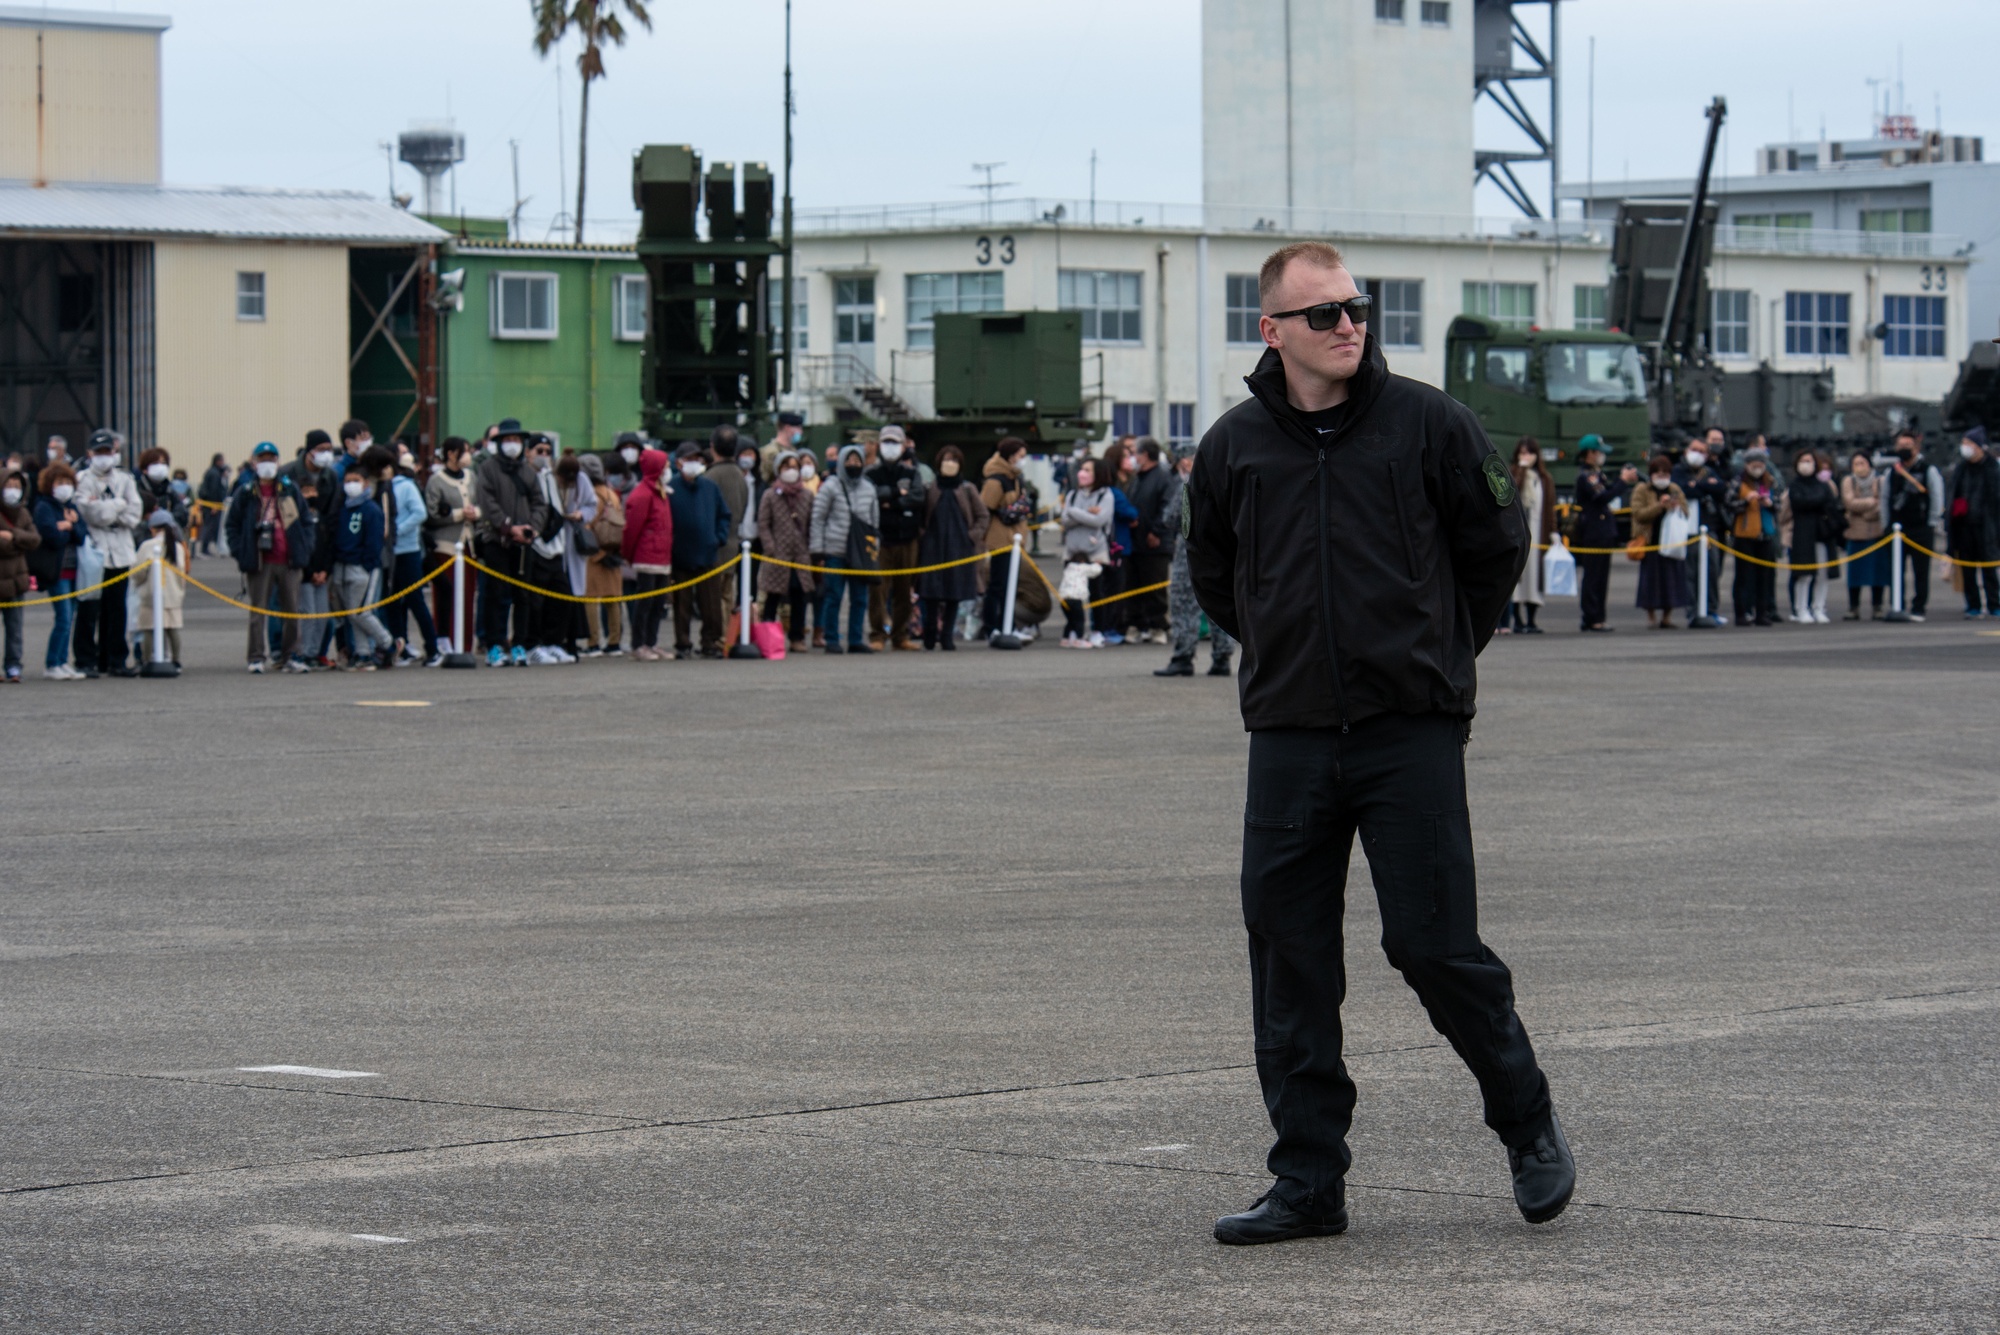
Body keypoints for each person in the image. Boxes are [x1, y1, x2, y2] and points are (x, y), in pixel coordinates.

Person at [1186, 241, 1567, 1246]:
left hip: (1409, 730)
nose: (1348, 324)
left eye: (1358, 306)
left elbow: (1492, 551)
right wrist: (1279, 646)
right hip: (1290, 735)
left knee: (1434, 946)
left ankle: (1525, 1120)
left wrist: (1434, 652)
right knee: (1289, 958)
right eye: (1322, 313)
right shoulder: (1231, 447)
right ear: (1270, 331)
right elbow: (1217, 576)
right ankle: (1308, 1183)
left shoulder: (1431, 425)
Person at [222, 441, 315, 673]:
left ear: (278, 462)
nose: (267, 464)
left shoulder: (289, 488)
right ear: (254, 462)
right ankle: (256, 656)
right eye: (262, 459)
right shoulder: (245, 492)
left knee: (292, 610)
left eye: (271, 459)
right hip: (260, 560)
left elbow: (306, 521)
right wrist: (240, 551)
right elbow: (231, 525)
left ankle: (291, 655)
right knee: (258, 611)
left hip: (289, 559)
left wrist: (305, 548)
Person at [473, 418, 549, 666]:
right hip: (497, 540)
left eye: (516, 440)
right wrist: (507, 527)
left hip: (524, 543)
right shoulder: (488, 469)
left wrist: (533, 528)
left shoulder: (527, 471)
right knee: (496, 594)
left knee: (523, 595)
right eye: (508, 440)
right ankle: (495, 645)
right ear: (499, 443)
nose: (512, 445)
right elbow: (487, 503)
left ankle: (519, 644)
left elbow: (540, 503)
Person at [1160, 448, 1237, 676]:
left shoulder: (1189, 485)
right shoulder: (1227, 481)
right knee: (1220, 603)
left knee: (1184, 605)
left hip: (1190, 553)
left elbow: (1172, 518)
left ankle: (1183, 656)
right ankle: (1222, 657)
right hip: (1223, 553)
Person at [73, 429, 142, 677]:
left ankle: (115, 659)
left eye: (108, 452)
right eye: (99, 452)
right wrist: (118, 504)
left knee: (117, 608)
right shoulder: (82, 479)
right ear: (90, 454)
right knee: (90, 608)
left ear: (114, 453)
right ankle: (85, 659)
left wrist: (106, 506)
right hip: (95, 551)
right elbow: (89, 513)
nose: (104, 457)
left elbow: (134, 515)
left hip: (121, 552)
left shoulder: (125, 479)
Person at [915, 445, 988, 651]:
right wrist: (924, 536)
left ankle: (947, 635)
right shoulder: (930, 488)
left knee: (953, 594)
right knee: (930, 592)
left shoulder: (967, 489)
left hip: (959, 548)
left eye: (954, 460)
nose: (950, 464)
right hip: (933, 547)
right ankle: (929, 632)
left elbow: (983, 516)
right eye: (946, 460)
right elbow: (921, 516)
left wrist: (971, 536)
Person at [810, 442, 880, 654]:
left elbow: (874, 522)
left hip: (860, 552)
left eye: (857, 460)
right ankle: (831, 638)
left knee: (860, 598)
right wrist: (817, 550)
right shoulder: (831, 486)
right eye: (849, 460)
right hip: (835, 550)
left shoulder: (869, 488)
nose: (853, 464)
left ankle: (855, 639)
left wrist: (873, 550)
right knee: (834, 596)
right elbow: (818, 518)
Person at [667, 442, 731, 659]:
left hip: (708, 554)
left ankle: (710, 642)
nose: (694, 463)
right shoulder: (671, 488)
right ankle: (683, 643)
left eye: (697, 459)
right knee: (682, 605)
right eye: (689, 459)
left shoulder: (710, 487)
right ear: (678, 462)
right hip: (680, 555)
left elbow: (724, 515)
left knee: (711, 604)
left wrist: (718, 538)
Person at [866, 425, 927, 650]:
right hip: (881, 538)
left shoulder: (911, 473)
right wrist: (896, 494)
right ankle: (877, 634)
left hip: (907, 538)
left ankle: (901, 635)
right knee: (878, 590)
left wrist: (892, 502)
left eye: (895, 442)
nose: (890, 447)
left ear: (903, 446)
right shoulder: (871, 473)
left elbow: (917, 497)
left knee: (904, 590)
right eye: (886, 442)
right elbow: (871, 496)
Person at [379, 446, 441, 665]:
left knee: (416, 600)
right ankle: (401, 648)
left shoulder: (405, 486)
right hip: (389, 554)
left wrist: (396, 531)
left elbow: (420, 513)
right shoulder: (380, 488)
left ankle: (433, 649)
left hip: (408, 551)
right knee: (393, 603)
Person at [330, 461, 391, 670]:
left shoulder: (371, 509)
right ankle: (363, 653)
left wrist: (366, 564)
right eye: (347, 481)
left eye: (356, 481)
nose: (351, 485)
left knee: (361, 612)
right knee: (351, 613)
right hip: (342, 566)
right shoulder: (343, 508)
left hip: (362, 568)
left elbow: (375, 542)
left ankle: (387, 642)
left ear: (365, 483)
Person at [422, 437, 480, 655]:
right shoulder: (436, 481)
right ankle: (444, 639)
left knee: (468, 595)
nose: (468, 455)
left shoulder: (471, 477)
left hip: (469, 545)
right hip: (446, 546)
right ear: (451, 454)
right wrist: (458, 514)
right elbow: (432, 514)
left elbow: (480, 503)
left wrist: (476, 514)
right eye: (464, 451)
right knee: (446, 595)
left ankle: (465, 644)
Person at [756, 450, 818, 651]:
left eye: (794, 467)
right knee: (773, 596)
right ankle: (768, 636)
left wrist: (810, 547)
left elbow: (811, 524)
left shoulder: (807, 495)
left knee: (799, 595)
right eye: (786, 467)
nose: (790, 471)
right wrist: (770, 547)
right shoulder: (770, 495)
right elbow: (763, 524)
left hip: (800, 553)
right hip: (777, 554)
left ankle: (797, 637)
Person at [30, 462, 85, 679]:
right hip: (56, 570)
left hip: (74, 569)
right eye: (59, 483)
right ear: (49, 485)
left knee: (70, 617)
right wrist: (66, 528)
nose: (64, 487)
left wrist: (69, 526)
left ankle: (63, 660)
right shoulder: (43, 506)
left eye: (68, 483)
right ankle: (52, 663)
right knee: (62, 617)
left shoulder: (71, 507)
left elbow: (81, 535)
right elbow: (51, 537)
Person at [621, 446, 675, 661]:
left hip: (661, 556)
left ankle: (651, 642)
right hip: (647, 557)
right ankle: (638, 643)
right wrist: (629, 554)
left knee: (658, 603)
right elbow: (632, 529)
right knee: (645, 603)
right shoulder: (643, 495)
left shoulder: (661, 492)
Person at [1569, 437, 1628, 632]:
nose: (1602, 456)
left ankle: (1599, 617)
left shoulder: (1596, 474)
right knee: (1593, 576)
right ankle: (1591, 617)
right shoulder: (1586, 476)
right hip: (1594, 531)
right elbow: (1603, 496)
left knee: (1602, 577)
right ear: (1590, 453)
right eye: (1599, 452)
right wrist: (1623, 481)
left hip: (1603, 531)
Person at [978, 437, 1033, 640]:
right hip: (1001, 539)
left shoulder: (1016, 477)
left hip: (1015, 538)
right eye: (1020, 456)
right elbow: (985, 507)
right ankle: (993, 626)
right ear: (1010, 457)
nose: (1023, 460)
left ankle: (1008, 625)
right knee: (999, 585)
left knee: (1011, 585)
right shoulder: (996, 480)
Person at [1673, 427, 1730, 619]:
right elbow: (1681, 490)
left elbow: (1721, 489)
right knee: (1690, 573)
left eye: (1702, 451)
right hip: (1687, 529)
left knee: (1712, 572)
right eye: (1694, 450)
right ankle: (1693, 611)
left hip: (1709, 528)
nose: (1697, 454)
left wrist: (1697, 486)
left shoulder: (1710, 471)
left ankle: (1711, 610)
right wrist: (1703, 488)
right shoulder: (1679, 471)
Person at [1501, 436, 1556, 634]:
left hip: (1539, 533)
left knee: (1535, 579)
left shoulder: (1544, 478)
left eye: (1530, 452)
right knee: (1519, 578)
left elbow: (1550, 509)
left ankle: (1532, 619)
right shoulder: (1513, 473)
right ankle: (1518, 620)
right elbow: (1511, 493)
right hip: (1520, 533)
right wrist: (1521, 470)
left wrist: (1554, 532)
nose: (1526, 457)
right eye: (1523, 453)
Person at [1123, 438, 1176, 644]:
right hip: (1135, 543)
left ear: (1145, 454)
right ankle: (1138, 624)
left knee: (1155, 587)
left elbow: (1168, 507)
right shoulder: (1137, 479)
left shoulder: (1162, 477)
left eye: (1135, 453)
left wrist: (1157, 531)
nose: (1132, 457)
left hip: (1156, 545)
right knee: (1133, 586)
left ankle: (1158, 627)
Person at [1057, 457, 1113, 648]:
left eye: (1088, 470)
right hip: (1072, 553)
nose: (1082, 473)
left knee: (1097, 594)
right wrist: (1085, 513)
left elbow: (1100, 521)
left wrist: (1073, 513)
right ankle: (1073, 629)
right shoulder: (1072, 495)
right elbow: (1064, 520)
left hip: (1096, 552)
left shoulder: (1105, 495)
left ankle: (1098, 631)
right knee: (1071, 596)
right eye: (1082, 469)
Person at [1778, 450, 1838, 625]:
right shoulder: (1795, 485)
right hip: (1802, 534)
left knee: (1822, 574)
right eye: (1803, 460)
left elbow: (1829, 503)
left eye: (1809, 461)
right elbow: (1799, 502)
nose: (1806, 464)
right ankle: (1801, 608)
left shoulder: (1823, 485)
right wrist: (1816, 501)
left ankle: (1819, 607)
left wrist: (1813, 501)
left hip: (1822, 534)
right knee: (1804, 575)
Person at [1631, 455, 1690, 629]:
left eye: (1665, 473)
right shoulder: (1642, 489)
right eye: (1658, 473)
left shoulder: (1675, 489)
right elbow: (1638, 514)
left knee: (1671, 581)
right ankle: (1651, 616)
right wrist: (1659, 506)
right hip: (1650, 542)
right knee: (1651, 582)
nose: (1662, 476)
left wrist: (1676, 506)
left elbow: (1686, 512)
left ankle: (1667, 616)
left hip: (1671, 543)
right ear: (1651, 474)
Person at [1947, 427, 2000, 617]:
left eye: (1969, 443)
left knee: (1989, 568)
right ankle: (1973, 605)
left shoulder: (1993, 468)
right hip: (1964, 526)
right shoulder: (1961, 468)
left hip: (1987, 527)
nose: (1965, 447)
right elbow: (1953, 494)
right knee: (1967, 569)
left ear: (1979, 446)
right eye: (1964, 444)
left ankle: (1994, 604)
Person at [126, 508, 186, 668]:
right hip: (173, 594)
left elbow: (138, 572)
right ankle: (176, 660)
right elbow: (182, 574)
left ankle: (146, 661)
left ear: (153, 528)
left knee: (148, 629)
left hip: (150, 594)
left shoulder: (148, 545)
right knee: (172, 629)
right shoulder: (177, 547)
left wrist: (138, 584)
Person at [578, 453, 625, 655]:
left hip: (595, 553)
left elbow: (588, 524)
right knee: (613, 599)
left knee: (590, 599)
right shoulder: (611, 493)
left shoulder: (592, 495)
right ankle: (614, 642)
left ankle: (593, 641)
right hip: (613, 551)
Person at [1725, 451, 1778, 625]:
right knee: (1743, 576)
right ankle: (1741, 613)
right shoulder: (1738, 482)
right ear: (1747, 465)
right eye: (1754, 464)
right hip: (1744, 534)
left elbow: (1780, 504)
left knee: (1764, 576)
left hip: (1765, 533)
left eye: (1761, 464)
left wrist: (1770, 503)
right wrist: (1746, 501)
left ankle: (1762, 613)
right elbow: (1729, 504)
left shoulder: (1769, 482)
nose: (1757, 468)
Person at [0, 468, 41, 682]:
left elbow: (34, 539)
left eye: (17, 487)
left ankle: (14, 666)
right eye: (9, 486)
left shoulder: (23, 513)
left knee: (15, 628)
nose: (12, 491)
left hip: (17, 579)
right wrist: (18, 544)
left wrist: (12, 536)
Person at [1839, 451, 1889, 620]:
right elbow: (1850, 502)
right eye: (1856, 464)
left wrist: (1868, 512)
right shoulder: (1848, 481)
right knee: (1855, 574)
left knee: (1878, 573)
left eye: (1863, 463)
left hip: (1877, 532)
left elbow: (1883, 503)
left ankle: (1877, 606)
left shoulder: (1881, 481)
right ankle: (1854, 607)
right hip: (1856, 533)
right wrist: (1870, 502)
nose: (1860, 467)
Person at [134, 448, 189, 536]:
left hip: (168, 537)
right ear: (145, 469)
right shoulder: (137, 489)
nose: (160, 467)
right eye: (155, 463)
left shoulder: (170, 490)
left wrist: (167, 520)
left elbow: (182, 513)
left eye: (163, 463)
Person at [196, 451, 230, 556]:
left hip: (210, 504)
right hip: (211, 505)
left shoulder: (212, 472)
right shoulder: (214, 474)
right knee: (209, 526)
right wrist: (214, 505)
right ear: (218, 461)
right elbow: (214, 490)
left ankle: (208, 548)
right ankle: (204, 549)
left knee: (212, 527)